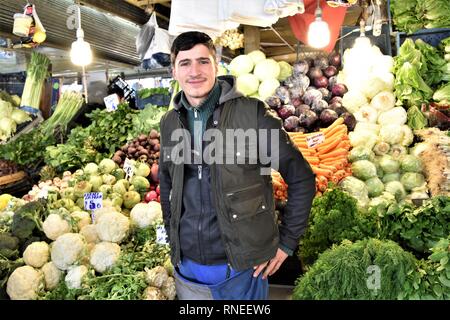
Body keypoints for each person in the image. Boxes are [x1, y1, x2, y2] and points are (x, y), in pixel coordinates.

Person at [159, 31, 316, 300]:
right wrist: (174, 239)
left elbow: (301, 177)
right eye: (185, 63)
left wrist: (288, 242)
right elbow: (167, 185)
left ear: (216, 65)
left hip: (242, 268)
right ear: (174, 71)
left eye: (203, 61)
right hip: (188, 268)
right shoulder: (169, 122)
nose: (194, 71)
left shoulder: (251, 114)